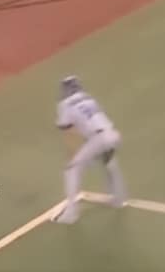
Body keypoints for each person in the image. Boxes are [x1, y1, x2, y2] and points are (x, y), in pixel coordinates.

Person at [52, 76, 127, 224]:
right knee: (109, 163)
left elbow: (69, 131)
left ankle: (71, 214)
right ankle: (119, 199)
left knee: (71, 170)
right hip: (112, 134)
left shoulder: (64, 104)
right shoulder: (88, 98)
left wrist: (72, 156)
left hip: (97, 139)